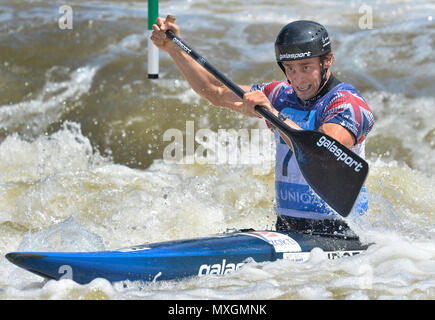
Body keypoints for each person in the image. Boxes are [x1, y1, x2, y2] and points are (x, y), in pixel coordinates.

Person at [151, 17, 375, 237]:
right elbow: (215, 92)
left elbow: (323, 152)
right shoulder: (281, 94)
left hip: (338, 233)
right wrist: (174, 49)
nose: (298, 79)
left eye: (306, 67)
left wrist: (274, 114)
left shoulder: (346, 102)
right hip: (288, 228)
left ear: (327, 61)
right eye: (290, 68)